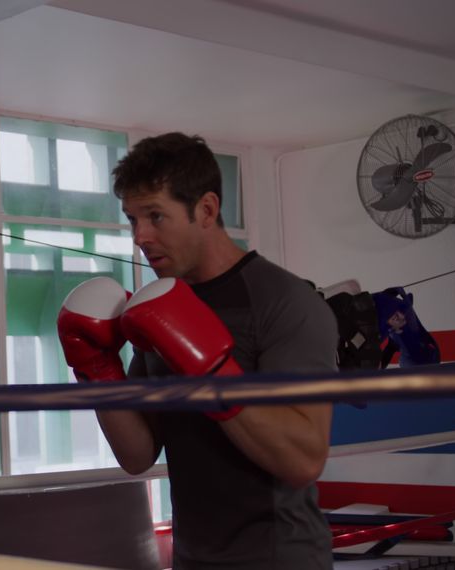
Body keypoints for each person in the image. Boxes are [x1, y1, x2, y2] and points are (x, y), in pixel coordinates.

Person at [58, 133, 337, 569]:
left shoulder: (283, 302)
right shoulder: (156, 308)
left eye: (155, 216)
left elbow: (303, 460)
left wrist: (213, 372)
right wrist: (98, 370)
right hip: (193, 558)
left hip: (279, 559)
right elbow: (137, 456)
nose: (140, 237)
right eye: (132, 219)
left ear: (206, 210)